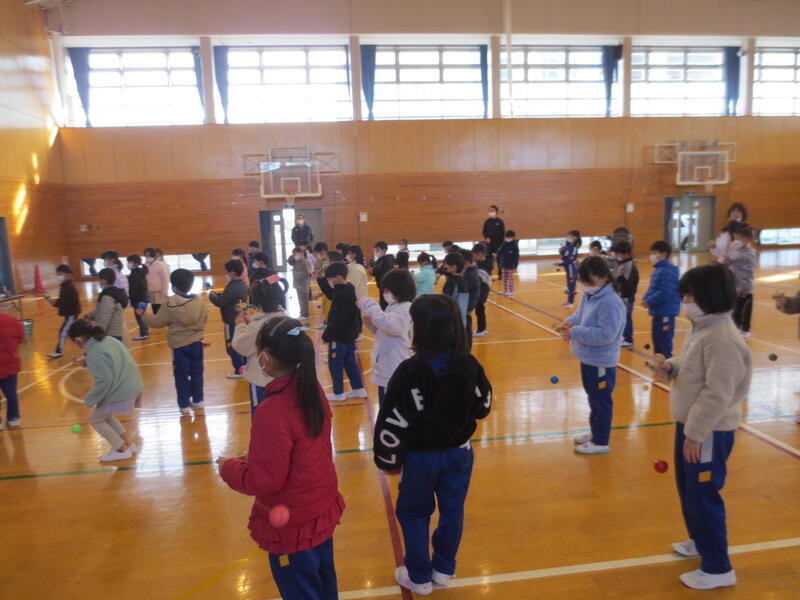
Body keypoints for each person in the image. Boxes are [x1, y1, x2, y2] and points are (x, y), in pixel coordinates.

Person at [217, 316, 345, 599]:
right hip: (318, 508)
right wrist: (256, 456)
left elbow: (264, 481)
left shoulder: (272, 410)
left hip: (293, 523)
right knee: (324, 581)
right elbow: (303, 446)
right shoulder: (311, 389)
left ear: (264, 359)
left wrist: (228, 467)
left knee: (301, 590)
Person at [373, 294, 492, 595]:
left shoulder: (409, 371)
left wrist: (388, 459)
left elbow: (391, 420)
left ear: (420, 329)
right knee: (452, 509)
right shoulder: (469, 364)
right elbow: (484, 405)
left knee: (414, 512)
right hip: (460, 454)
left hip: (421, 458)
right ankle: (443, 568)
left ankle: (419, 576)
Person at [650, 263, 750, 590]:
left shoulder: (722, 338)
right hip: (691, 425)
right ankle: (700, 540)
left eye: (690, 297)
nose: (685, 303)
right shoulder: (702, 327)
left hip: (707, 431)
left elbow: (717, 393)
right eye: (685, 296)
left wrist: (695, 434)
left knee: (703, 494)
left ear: (710, 296)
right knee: (688, 488)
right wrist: (672, 367)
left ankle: (718, 567)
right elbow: (693, 366)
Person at [560, 256, 626, 455]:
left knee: (601, 401)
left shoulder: (611, 302)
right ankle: (596, 431)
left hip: (601, 361)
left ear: (603, 277)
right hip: (588, 357)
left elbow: (607, 335)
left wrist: (575, 332)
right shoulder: (591, 294)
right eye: (584, 281)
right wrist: (570, 322)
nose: (586, 286)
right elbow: (580, 314)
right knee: (593, 398)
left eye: (589, 281)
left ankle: (601, 441)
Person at [67, 319, 143, 462]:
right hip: (133, 383)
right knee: (105, 415)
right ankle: (128, 444)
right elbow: (112, 360)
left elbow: (104, 380)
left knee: (95, 419)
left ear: (78, 340)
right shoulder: (108, 340)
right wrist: (89, 362)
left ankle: (121, 449)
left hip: (121, 389)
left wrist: (90, 399)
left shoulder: (94, 353)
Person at [141, 269, 208, 415]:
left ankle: (184, 404)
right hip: (196, 343)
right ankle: (198, 400)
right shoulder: (198, 301)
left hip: (179, 346)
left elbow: (157, 322)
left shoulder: (169, 304)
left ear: (174, 286)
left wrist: (144, 316)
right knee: (197, 372)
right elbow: (204, 317)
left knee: (181, 375)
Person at [356, 269, 415, 405]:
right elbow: (386, 332)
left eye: (387, 290)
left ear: (398, 289)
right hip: (388, 365)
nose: (385, 293)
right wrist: (371, 325)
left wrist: (370, 305)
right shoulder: (394, 306)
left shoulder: (405, 308)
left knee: (390, 405)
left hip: (394, 366)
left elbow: (391, 326)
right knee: (385, 402)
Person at [232, 278, 287, 416]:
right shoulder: (289, 321)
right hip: (286, 381)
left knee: (261, 417)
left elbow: (241, 346)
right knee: (282, 416)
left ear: (257, 303)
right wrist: (251, 321)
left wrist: (240, 325)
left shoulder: (258, 326)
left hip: (263, 381)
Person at [318, 262, 365, 402]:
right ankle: (358, 388)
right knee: (350, 362)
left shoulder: (341, 295)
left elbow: (337, 320)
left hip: (339, 337)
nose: (329, 282)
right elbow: (331, 294)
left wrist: (327, 336)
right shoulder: (348, 288)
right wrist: (321, 279)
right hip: (350, 334)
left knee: (335, 364)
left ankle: (338, 392)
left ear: (338, 277)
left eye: (330, 279)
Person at [209, 259, 249, 379]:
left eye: (228, 272)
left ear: (232, 273)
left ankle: (239, 370)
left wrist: (211, 295)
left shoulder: (233, 286)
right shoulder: (241, 284)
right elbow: (229, 298)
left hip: (231, 320)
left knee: (231, 346)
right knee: (241, 343)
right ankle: (245, 367)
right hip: (241, 319)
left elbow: (221, 302)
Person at [642, 241, 681, 359]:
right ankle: (658, 361)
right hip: (658, 311)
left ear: (664, 254)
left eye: (654, 252)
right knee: (657, 337)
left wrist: (649, 301)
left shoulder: (668, 270)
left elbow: (666, 291)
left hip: (666, 312)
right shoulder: (658, 269)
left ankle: (667, 361)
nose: (652, 256)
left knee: (664, 339)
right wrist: (645, 298)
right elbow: (653, 288)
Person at [721, 227, 756, 339]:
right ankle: (734, 329)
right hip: (733, 284)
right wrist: (726, 257)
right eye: (735, 239)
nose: (736, 241)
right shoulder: (737, 252)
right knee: (734, 309)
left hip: (744, 288)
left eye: (739, 239)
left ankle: (745, 331)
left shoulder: (749, 253)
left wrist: (740, 286)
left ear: (747, 239)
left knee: (743, 310)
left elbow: (747, 272)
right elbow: (726, 263)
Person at [47, 264, 81, 358]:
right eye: (58, 274)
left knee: (63, 332)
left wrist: (56, 303)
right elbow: (63, 300)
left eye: (61, 274)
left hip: (71, 314)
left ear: (68, 275)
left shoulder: (69, 287)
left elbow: (68, 301)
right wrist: (55, 302)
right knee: (72, 333)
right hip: (69, 314)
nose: (59, 276)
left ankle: (59, 351)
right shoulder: (64, 286)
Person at [610, 241, 639, 348]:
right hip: (619, 295)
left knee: (626, 317)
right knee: (619, 317)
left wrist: (619, 290)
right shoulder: (620, 263)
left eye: (618, 253)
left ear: (626, 254)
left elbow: (626, 283)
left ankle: (628, 339)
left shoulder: (629, 266)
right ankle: (621, 336)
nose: (616, 255)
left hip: (626, 296)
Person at [90, 268, 129, 343]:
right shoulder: (114, 293)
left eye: (99, 279)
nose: (99, 282)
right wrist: (92, 314)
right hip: (116, 333)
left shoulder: (108, 296)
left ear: (103, 281)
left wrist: (96, 334)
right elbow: (103, 309)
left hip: (111, 335)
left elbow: (104, 318)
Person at [0, 312, 24, 429]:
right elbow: (21, 337)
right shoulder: (12, 320)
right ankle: (13, 418)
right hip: (10, 364)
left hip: (8, 363)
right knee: (11, 394)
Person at [442, 252, 469, 330]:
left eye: (446, 265)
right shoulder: (464, 282)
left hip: (451, 323)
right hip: (462, 322)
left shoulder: (451, 283)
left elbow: (445, 303)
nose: (444, 267)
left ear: (453, 267)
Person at [126, 254, 150, 341]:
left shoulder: (135, 275)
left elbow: (133, 290)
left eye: (129, 262)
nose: (128, 264)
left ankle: (143, 334)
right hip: (143, 299)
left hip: (139, 300)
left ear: (135, 263)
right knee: (142, 316)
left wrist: (131, 300)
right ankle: (145, 332)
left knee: (139, 317)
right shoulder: (140, 273)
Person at [555, 230, 582, 308]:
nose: (569, 238)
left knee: (572, 285)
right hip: (567, 269)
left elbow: (570, 260)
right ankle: (568, 300)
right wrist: (560, 251)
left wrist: (560, 264)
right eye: (569, 236)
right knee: (569, 285)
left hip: (571, 269)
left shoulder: (574, 248)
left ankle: (571, 302)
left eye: (572, 236)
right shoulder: (566, 246)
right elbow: (564, 257)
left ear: (576, 238)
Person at [460, 249, 480, 346]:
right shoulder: (468, 272)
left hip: (466, 307)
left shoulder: (470, 275)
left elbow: (462, 289)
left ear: (466, 263)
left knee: (465, 331)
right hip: (465, 307)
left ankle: (465, 349)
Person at [471, 245, 492, 337]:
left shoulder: (486, 263)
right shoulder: (479, 263)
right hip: (481, 287)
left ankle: (482, 329)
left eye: (475, 255)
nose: (474, 257)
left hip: (483, 288)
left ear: (479, 254)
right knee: (479, 308)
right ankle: (482, 328)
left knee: (479, 308)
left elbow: (481, 277)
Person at [288, 247, 311, 321]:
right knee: (300, 300)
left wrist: (296, 274)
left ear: (301, 253)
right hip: (298, 284)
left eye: (295, 254)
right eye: (293, 254)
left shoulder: (305, 262)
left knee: (303, 300)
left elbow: (307, 273)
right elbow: (289, 261)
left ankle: (305, 314)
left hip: (303, 284)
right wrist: (293, 256)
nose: (294, 256)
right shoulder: (296, 261)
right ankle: (302, 313)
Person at [482, 205, 505, 280]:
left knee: (499, 260)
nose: (491, 212)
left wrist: (502, 245)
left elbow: (503, 233)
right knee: (489, 261)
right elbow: (484, 232)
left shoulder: (500, 222)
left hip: (498, 244)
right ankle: (489, 275)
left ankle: (500, 274)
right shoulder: (487, 222)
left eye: (492, 210)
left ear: (496, 212)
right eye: (490, 210)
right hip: (489, 245)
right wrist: (486, 238)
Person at [144, 247, 170, 314]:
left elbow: (165, 279)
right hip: (150, 292)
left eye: (149, 255)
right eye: (146, 256)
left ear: (153, 255)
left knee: (161, 311)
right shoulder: (145, 265)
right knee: (154, 311)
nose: (147, 257)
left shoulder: (160, 265)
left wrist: (165, 292)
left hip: (160, 292)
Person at [372, 241, 396, 310]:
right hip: (381, 286)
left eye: (377, 250)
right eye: (375, 250)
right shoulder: (379, 260)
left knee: (386, 304)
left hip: (387, 287)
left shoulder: (388, 259)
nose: (376, 252)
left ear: (384, 250)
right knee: (383, 303)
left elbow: (385, 272)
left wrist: (375, 271)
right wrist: (373, 272)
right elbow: (377, 271)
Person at [497, 230, 520, 297]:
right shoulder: (505, 243)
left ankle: (509, 291)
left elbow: (516, 256)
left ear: (512, 237)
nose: (507, 238)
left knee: (508, 278)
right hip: (505, 263)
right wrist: (497, 254)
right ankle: (507, 290)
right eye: (506, 237)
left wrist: (515, 264)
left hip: (511, 264)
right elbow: (500, 250)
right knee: (506, 277)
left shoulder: (514, 245)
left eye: (508, 237)